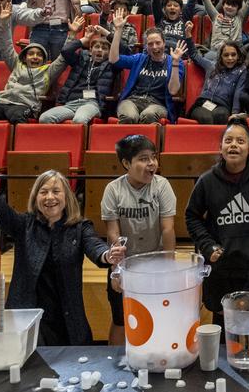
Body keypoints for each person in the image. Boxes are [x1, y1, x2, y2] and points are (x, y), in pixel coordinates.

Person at [0, 122, 124, 345]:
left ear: (66, 197)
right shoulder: (22, 225)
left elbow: (96, 247)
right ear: (35, 198)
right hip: (27, 320)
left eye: (56, 191)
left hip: (68, 322)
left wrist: (108, 255)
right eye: (44, 192)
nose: (50, 197)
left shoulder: (80, 227)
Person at [186, 119, 249, 317]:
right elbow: (192, 216)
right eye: (228, 140)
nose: (233, 145)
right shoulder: (207, 181)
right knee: (222, 325)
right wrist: (208, 246)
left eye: (240, 141)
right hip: (220, 267)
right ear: (220, 147)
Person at [101, 135, 176, 345]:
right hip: (126, 263)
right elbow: (113, 234)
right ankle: (113, 365)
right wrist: (116, 271)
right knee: (120, 320)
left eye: (153, 157)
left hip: (156, 264)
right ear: (126, 163)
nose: (151, 163)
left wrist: (169, 269)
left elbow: (168, 229)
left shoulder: (162, 186)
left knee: (158, 317)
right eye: (143, 158)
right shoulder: (113, 190)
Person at [0, 11, 60, 124]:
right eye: (31, 54)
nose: (35, 57)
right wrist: (4, 22)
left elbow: (63, 58)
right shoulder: (16, 64)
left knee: (17, 118)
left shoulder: (48, 70)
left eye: (39, 55)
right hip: (2, 102)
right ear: (24, 58)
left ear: (44, 60)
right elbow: (6, 45)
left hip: (24, 105)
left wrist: (72, 35)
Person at [109, 8, 188, 124]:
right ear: (146, 46)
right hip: (132, 100)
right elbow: (114, 59)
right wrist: (118, 30)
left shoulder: (175, 62)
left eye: (158, 43)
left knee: (148, 115)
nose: (155, 47)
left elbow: (173, 90)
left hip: (157, 104)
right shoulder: (139, 58)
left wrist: (175, 63)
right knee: (130, 116)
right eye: (150, 44)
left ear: (164, 43)